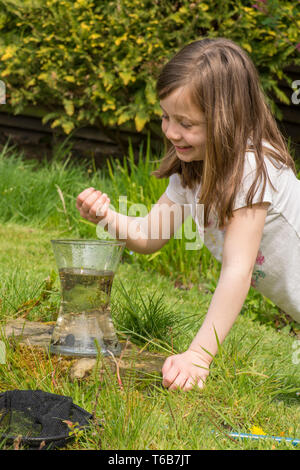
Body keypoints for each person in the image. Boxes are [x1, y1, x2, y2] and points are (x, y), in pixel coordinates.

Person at [76, 37, 300, 391]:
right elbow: (149, 236)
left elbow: (238, 270)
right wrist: (105, 216)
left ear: (227, 120)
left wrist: (198, 356)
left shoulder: (253, 167)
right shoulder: (192, 169)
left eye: (186, 123)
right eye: (166, 117)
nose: (170, 131)